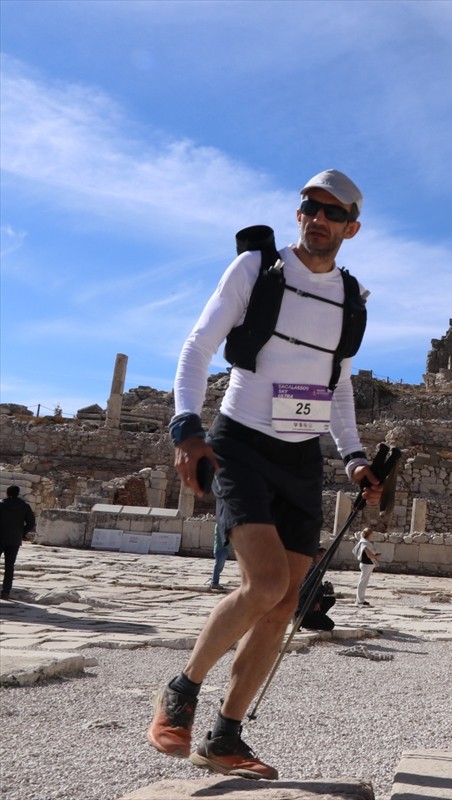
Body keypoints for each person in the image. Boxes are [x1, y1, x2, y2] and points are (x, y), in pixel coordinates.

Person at [147, 170, 381, 781]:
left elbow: (340, 386)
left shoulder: (350, 299)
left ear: (351, 227)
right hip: (240, 443)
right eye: (309, 206)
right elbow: (198, 346)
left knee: (284, 606)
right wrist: (185, 428)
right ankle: (180, 692)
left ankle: (225, 736)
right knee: (265, 583)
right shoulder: (256, 269)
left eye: (332, 213)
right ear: (298, 212)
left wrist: (354, 457)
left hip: (301, 458)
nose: (317, 218)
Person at [0, 485, 36, 600]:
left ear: (7, 493)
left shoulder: (0, 505)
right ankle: (6, 592)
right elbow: (31, 523)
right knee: (9, 567)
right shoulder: (25, 506)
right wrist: (22, 533)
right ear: (18, 493)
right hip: (14, 540)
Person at [298, 546, 336, 631]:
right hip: (304, 607)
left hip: (311, 603)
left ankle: (316, 616)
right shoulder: (312, 570)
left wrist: (320, 599)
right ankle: (305, 621)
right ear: (317, 557)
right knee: (329, 625)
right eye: (322, 556)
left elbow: (317, 588)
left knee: (330, 600)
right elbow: (306, 589)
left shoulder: (313, 568)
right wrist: (323, 590)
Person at [354, 528, 380, 607]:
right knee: (362, 582)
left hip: (367, 564)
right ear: (369, 534)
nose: (373, 535)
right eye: (372, 534)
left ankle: (361, 599)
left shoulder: (366, 542)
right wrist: (376, 557)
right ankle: (359, 600)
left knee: (364, 582)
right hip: (366, 564)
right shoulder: (364, 543)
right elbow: (369, 555)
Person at [209, 522, 230, 591]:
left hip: (224, 548)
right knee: (218, 566)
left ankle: (215, 582)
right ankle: (214, 582)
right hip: (220, 548)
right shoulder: (220, 525)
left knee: (220, 567)